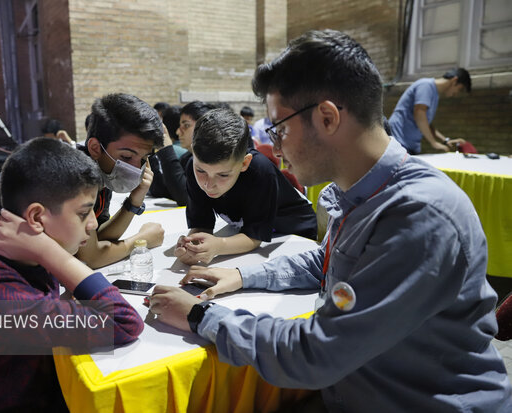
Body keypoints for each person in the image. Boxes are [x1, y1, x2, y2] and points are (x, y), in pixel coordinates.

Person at [148, 29, 512, 411]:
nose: (275, 146)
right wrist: (241, 277)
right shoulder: (356, 190)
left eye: (279, 129)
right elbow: (328, 260)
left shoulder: (418, 214)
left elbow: (316, 353)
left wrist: (200, 315)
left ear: (327, 118)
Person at [0, 138, 144, 412]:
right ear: (37, 218)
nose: (93, 224)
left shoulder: (24, 261)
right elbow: (123, 323)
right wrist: (51, 252)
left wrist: (45, 252)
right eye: (83, 213)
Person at [0, 93, 165, 301]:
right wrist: (141, 240)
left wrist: (134, 201)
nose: (136, 168)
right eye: (127, 157)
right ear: (95, 147)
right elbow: (91, 255)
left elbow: (94, 235)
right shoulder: (75, 174)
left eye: (142, 160)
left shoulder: (102, 168)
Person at [174, 107, 317, 265]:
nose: (209, 185)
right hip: (248, 233)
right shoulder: (192, 167)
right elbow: (202, 224)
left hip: (295, 235)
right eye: (201, 170)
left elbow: (254, 237)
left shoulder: (260, 171)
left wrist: (219, 245)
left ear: (244, 163)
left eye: (223, 175)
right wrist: (192, 244)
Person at [389, 68, 471, 154]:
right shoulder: (426, 86)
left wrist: (445, 140)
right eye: (460, 89)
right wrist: (434, 143)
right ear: (454, 81)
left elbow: (426, 122)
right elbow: (419, 115)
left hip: (410, 145)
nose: (456, 93)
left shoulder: (434, 94)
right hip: (399, 141)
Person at [147, 101, 215, 206]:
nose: (178, 132)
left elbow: (185, 197)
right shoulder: (187, 158)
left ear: (205, 127)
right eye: (179, 126)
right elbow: (161, 191)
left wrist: (167, 150)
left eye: (186, 126)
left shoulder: (215, 161)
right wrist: (151, 151)